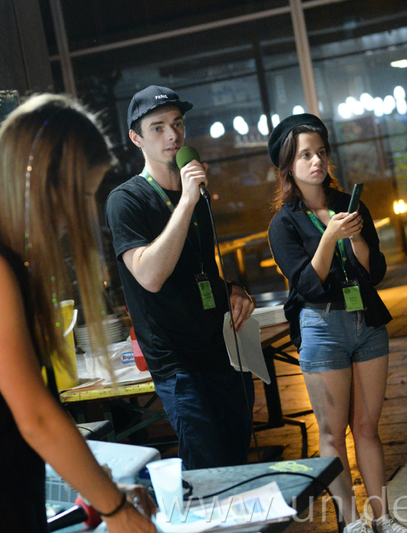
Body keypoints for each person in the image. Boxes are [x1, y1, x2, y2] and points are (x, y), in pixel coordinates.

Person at [0, 94, 157, 533]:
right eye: (81, 195)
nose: (79, 216)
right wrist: (116, 509)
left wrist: (102, 490)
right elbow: (35, 417)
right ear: (39, 180)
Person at [266, 114, 407, 533]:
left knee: (367, 428)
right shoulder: (284, 222)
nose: (316, 161)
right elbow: (308, 285)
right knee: (332, 433)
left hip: (366, 321)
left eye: (321, 152)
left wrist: (355, 236)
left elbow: (375, 271)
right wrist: (329, 237)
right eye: (305, 155)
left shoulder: (350, 204)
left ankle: (383, 519)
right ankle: (351, 523)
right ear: (288, 166)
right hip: (322, 326)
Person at [105, 85, 256, 470]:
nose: (172, 135)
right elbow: (150, 276)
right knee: (207, 471)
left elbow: (196, 271)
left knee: (237, 464)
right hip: (177, 365)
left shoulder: (197, 194)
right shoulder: (127, 200)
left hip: (221, 353)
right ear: (136, 138)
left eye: (177, 124)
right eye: (157, 128)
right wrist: (186, 201)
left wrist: (232, 290)